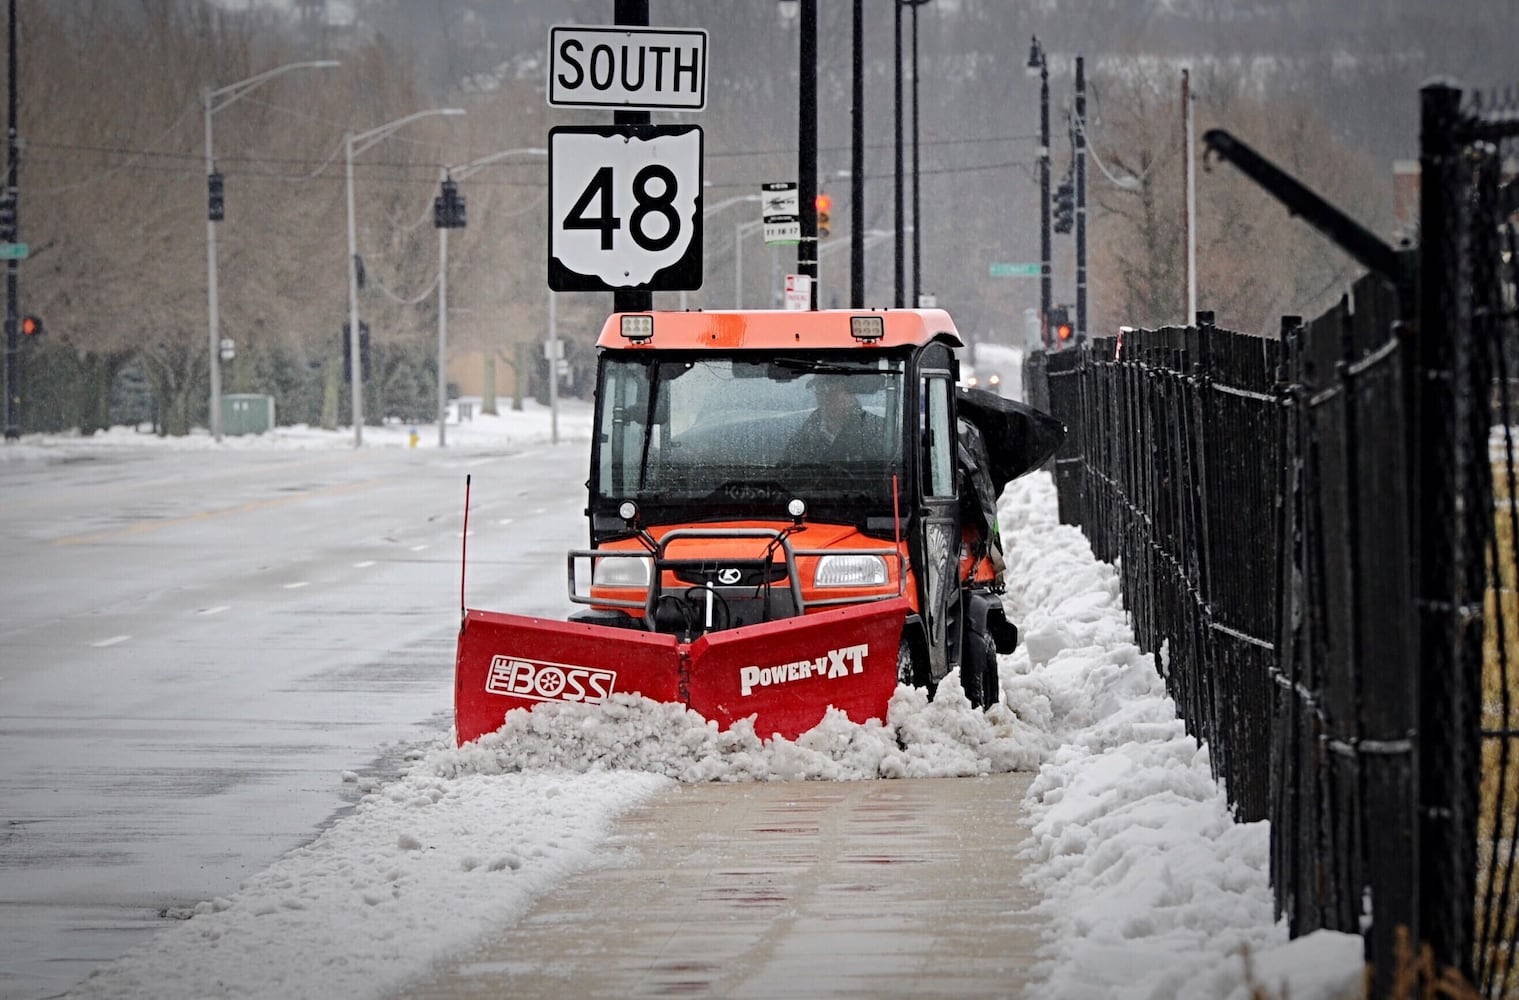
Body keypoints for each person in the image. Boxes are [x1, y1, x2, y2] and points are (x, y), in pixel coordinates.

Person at [783, 375, 885, 464]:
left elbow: (884, 477)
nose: (825, 395)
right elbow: (785, 473)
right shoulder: (805, 433)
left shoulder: (878, 431)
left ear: (851, 392)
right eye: (820, 388)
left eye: (833, 389)